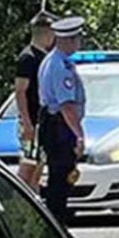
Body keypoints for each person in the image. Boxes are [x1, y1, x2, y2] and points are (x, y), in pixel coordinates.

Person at [37, 15, 87, 225]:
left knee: (60, 179)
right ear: (66, 40)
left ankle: (59, 226)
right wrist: (79, 134)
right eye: (76, 38)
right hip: (60, 126)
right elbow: (66, 106)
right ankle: (57, 227)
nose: (79, 42)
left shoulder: (55, 61)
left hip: (56, 124)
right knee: (60, 180)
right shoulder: (59, 66)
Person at [16, 7, 56, 191]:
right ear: (47, 33)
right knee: (28, 167)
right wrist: (27, 123)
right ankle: (21, 205)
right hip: (31, 122)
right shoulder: (28, 58)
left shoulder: (44, 58)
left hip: (42, 122)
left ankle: (35, 203)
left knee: (38, 168)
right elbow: (20, 91)